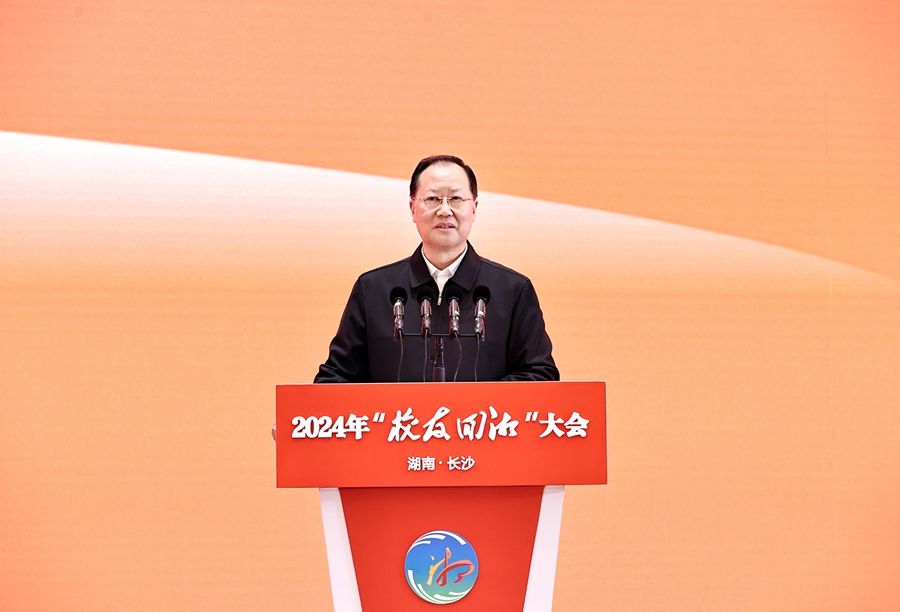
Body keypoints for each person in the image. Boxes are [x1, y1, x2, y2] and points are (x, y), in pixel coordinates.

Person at [314, 155, 558, 383]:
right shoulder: (374, 290)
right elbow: (335, 378)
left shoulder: (512, 291)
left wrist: (476, 406)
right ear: (413, 208)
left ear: (474, 207)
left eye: (456, 199)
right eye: (432, 199)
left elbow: (539, 374)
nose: (444, 210)